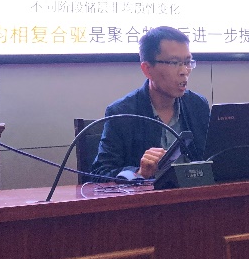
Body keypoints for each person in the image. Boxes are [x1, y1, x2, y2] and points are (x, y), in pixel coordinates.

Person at [90, 26, 210, 180]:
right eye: (174, 63)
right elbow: (99, 174)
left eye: (187, 62)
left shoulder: (197, 105)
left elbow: (212, 158)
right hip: (148, 195)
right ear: (147, 69)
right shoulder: (122, 113)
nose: (184, 71)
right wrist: (139, 173)